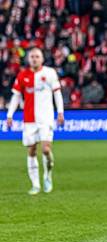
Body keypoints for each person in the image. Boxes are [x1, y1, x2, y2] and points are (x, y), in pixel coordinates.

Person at [6, 48, 64, 195]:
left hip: (46, 118)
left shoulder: (50, 73)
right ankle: (35, 185)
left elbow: (57, 94)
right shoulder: (22, 75)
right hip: (29, 120)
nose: (34, 59)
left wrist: (60, 112)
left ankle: (47, 176)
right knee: (31, 151)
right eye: (32, 56)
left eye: (37, 56)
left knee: (45, 149)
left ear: (42, 59)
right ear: (28, 59)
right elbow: (16, 96)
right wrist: (10, 114)